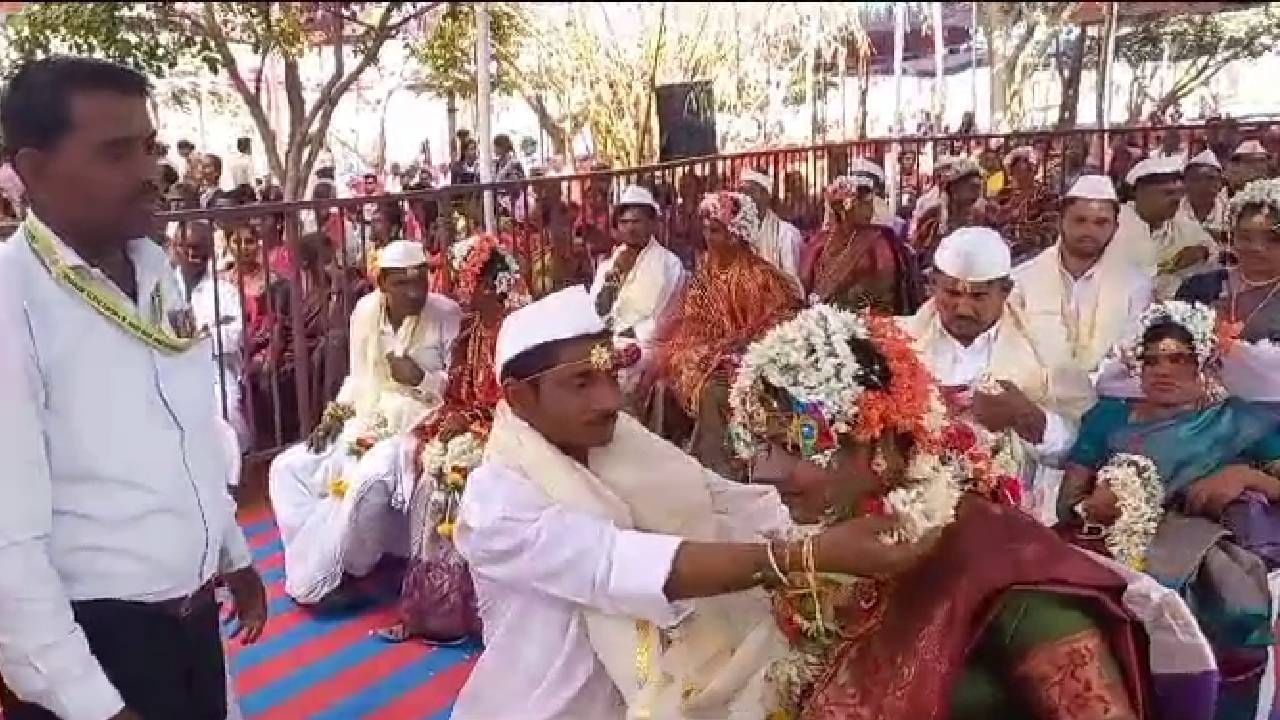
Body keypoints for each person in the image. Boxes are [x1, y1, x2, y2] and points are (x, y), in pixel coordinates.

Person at [450, 285, 937, 720]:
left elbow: (725, 500)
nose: (611, 401)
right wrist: (806, 557)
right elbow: (617, 565)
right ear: (518, 398)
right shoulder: (495, 502)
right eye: (582, 383)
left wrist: (863, 500)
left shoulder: (618, 440)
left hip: (655, 682)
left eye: (610, 376)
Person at [727, 303, 1205, 720]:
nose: (765, 473)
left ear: (883, 442)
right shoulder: (826, 545)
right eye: (760, 445)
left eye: (795, 445)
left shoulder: (1008, 580)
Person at [0, 56, 266, 720]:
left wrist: (232, 551)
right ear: (32, 172)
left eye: (147, 146)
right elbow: (9, 547)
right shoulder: (11, 302)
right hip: (97, 648)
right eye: (116, 153)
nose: (149, 172)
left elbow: (186, 431)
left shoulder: (152, 269)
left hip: (192, 616)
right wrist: (90, 704)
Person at [1060, 301, 1280, 719]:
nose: (1163, 370)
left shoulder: (1239, 421)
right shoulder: (1108, 417)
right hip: (1112, 547)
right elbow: (1069, 505)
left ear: (1205, 364)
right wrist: (1098, 507)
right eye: (1152, 359)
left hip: (1210, 551)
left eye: (1179, 359)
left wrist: (1245, 477)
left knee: (1225, 601)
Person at [268, 240, 461, 604]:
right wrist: (335, 416)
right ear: (382, 284)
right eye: (403, 283)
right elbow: (358, 378)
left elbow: (461, 388)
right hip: (367, 417)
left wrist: (421, 378)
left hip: (420, 424)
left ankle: (336, 573)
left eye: (422, 280)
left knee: (362, 478)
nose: (416, 290)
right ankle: (314, 559)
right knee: (287, 468)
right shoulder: (366, 311)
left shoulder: (446, 314)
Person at [376, 233, 529, 645]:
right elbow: (459, 392)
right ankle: (430, 610)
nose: (459, 292)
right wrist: (455, 420)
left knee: (464, 479)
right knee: (429, 478)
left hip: (515, 434)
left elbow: (518, 402)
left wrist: (472, 426)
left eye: (466, 282)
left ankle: (473, 612)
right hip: (475, 426)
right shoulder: (471, 331)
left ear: (488, 285)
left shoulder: (518, 331)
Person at [901, 227, 1095, 523]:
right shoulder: (901, 343)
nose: (962, 307)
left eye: (978, 296)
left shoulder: (1045, 349)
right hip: (913, 510)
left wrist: (1028, 418)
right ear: (932, 285)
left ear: (1006, 291)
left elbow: (1078, 442)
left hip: (1008, 517)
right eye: (951, 292)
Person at [654, 191, 801, 477]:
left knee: (713, 390)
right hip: (711, 350)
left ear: (736, 235)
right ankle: (667, 459)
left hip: (752, 359)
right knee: (665, 377)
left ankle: (714, 469)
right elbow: (692, 321)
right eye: (707, 230)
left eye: (717, 231)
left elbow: (778, 326)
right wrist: (707, 348)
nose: (709, 238)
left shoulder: (759, 277)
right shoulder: (705, 272)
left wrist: (735, 348)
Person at [1013, 175, 1155, 372]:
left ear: (1115, 228)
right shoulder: (1023, 279)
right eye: (1080, 220)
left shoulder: (1136, 285)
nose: (1089, 230)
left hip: (1106, 391)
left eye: (1101, 223)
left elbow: (1129, 351)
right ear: (1060, 221)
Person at [589, 184, 686, 396]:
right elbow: (597, 310)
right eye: (624, 222)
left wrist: (623, 339)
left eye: (637, 221)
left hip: (648, 346)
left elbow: (664, 320)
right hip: (608, 341)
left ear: (652, 224)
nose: (630, 228)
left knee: (620, 377)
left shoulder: (669, 264)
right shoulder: (609, 264)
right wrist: (615, 276)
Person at [171, 219, 249, 449]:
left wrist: (200, 336)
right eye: (190, 247)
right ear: (176, 247)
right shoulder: (160, 287)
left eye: (202, 248)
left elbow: (237, 334)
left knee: (227, 413)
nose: (196, 254)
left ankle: (237, 471)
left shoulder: (224, 292)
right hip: (169, 368)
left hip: (214, 368)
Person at [801, 175, 918, 314]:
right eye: (864, 204)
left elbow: (886, 292)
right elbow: (804, 283)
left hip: (866, 323)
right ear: (844, 209)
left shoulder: (879, 241)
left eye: (870, 203)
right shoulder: (820, 241)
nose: (870, 209)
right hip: (820, 320)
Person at [1116, 156, 1216, 299]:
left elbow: (1212, 250)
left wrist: (1203, 252)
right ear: (1138, 193)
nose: (1176, 200)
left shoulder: (1181, 226)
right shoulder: (1115, 222)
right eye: (1167, 193)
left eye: (1179, 193)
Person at [910, 157, 991, 269]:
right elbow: (920, 252)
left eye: (977, 186)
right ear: (952, 188)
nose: (975, 190)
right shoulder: (934, 214)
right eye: (969, 185)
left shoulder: (983, 213)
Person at [990, 146, 1060, 263]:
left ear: (1033, 170)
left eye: (1027, 167)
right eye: (1014, 168)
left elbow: (1051, 231)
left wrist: (1016, 233)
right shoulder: (1003, 194)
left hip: (1032, 251)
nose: (1017, 173)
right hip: (1000, 248)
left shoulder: (1046, 195)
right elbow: (992, 222)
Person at [739, 169, 803, 287]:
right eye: (742, 192)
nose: (745, 198)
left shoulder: (786, 234)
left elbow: (791, 281)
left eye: (750, 192)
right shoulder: (737, 233)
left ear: (766, 196)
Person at [1179, 149, 1229, 244]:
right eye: (1196, 179)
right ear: (1185, 183)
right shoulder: (1173, 210)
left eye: (1211, 178)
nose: (1203, 184)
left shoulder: (1229, 210)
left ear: (1221, 183)